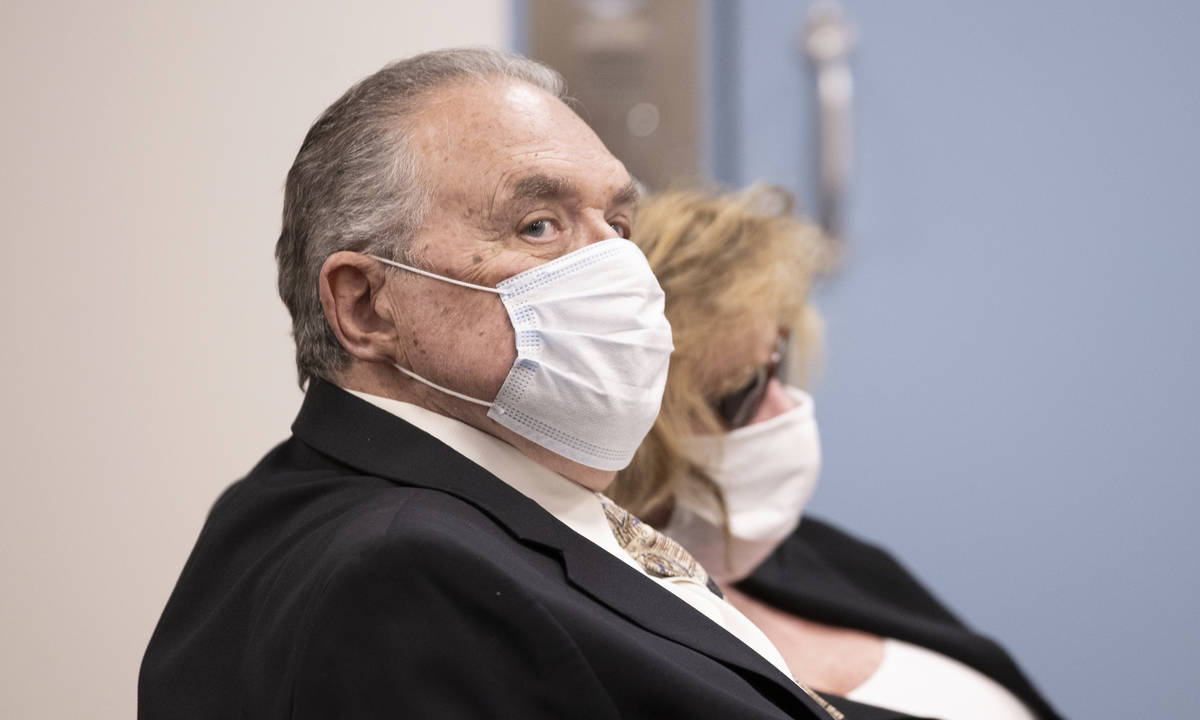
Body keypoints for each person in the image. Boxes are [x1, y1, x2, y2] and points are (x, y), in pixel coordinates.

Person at [138, 49, 917, 719]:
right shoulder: (401, 577)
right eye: (538, 226)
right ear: (367, 305)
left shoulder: (447, 497)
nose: (620, 270)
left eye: (617, 223)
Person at [608, 186, 1063, 720]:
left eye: (775, 364)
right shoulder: (635, 649)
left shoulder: (814, 557)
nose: (786, 407)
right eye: (741, 391)